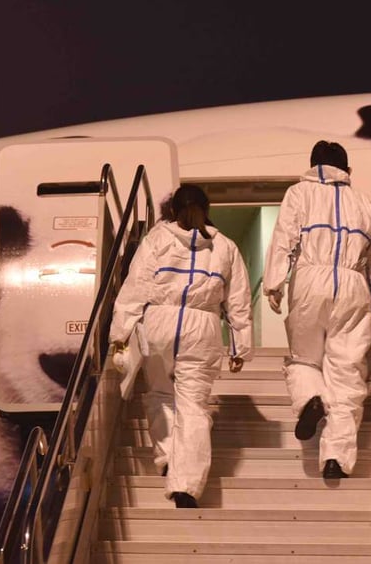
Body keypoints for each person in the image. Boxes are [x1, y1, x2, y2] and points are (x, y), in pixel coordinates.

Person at [110, 184, 252, 508]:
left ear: (172, 210)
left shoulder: (157, 239)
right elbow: (239, 300)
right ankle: (186, 485)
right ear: (208, 208)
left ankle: (168, 457)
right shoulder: (225, 246)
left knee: (160, 395)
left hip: (159, 323)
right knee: (193, 407)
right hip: (202, 328)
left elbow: (136, 286)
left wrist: (120, 333)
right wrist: (240, 347)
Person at [263, 140, 371, 479]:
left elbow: (284, 238)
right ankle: (336, 458)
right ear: (348, 170)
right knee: (347, 375)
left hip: (309, 281)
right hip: (353, 287)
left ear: (312, 165)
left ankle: (310, 399)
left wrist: (274, 282)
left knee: (304, 359)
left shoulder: (299, 193)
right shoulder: (368, 205)